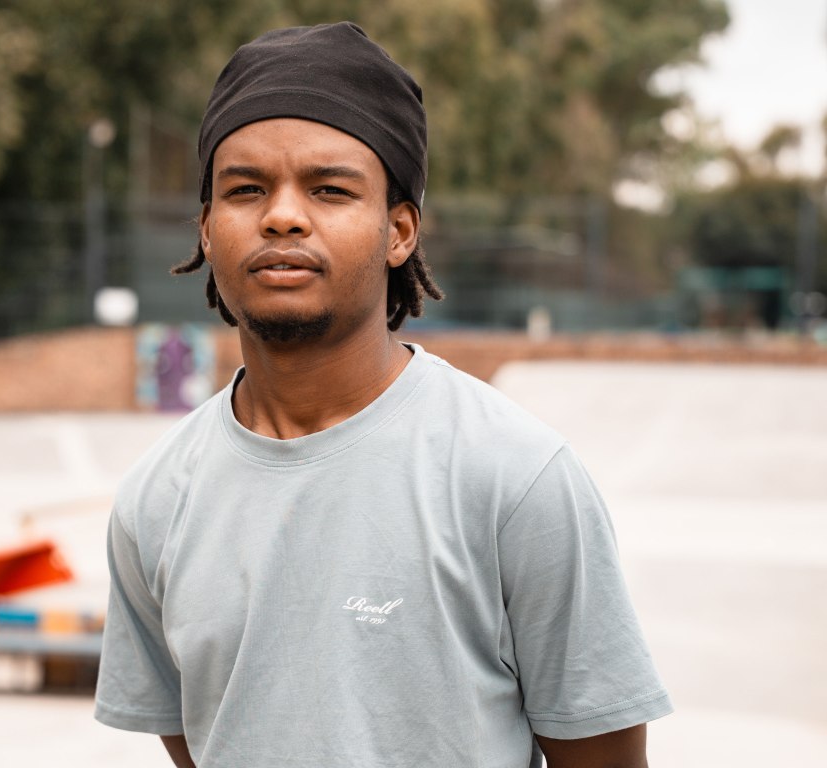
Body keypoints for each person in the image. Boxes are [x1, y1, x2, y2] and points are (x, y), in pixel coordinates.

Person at [95, 21, 671, 768]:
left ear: (399, 232)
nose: (282, 215)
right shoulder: (155, 501)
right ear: (207, 230)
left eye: (330, 190)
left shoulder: (516, 478)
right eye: (245, 190)